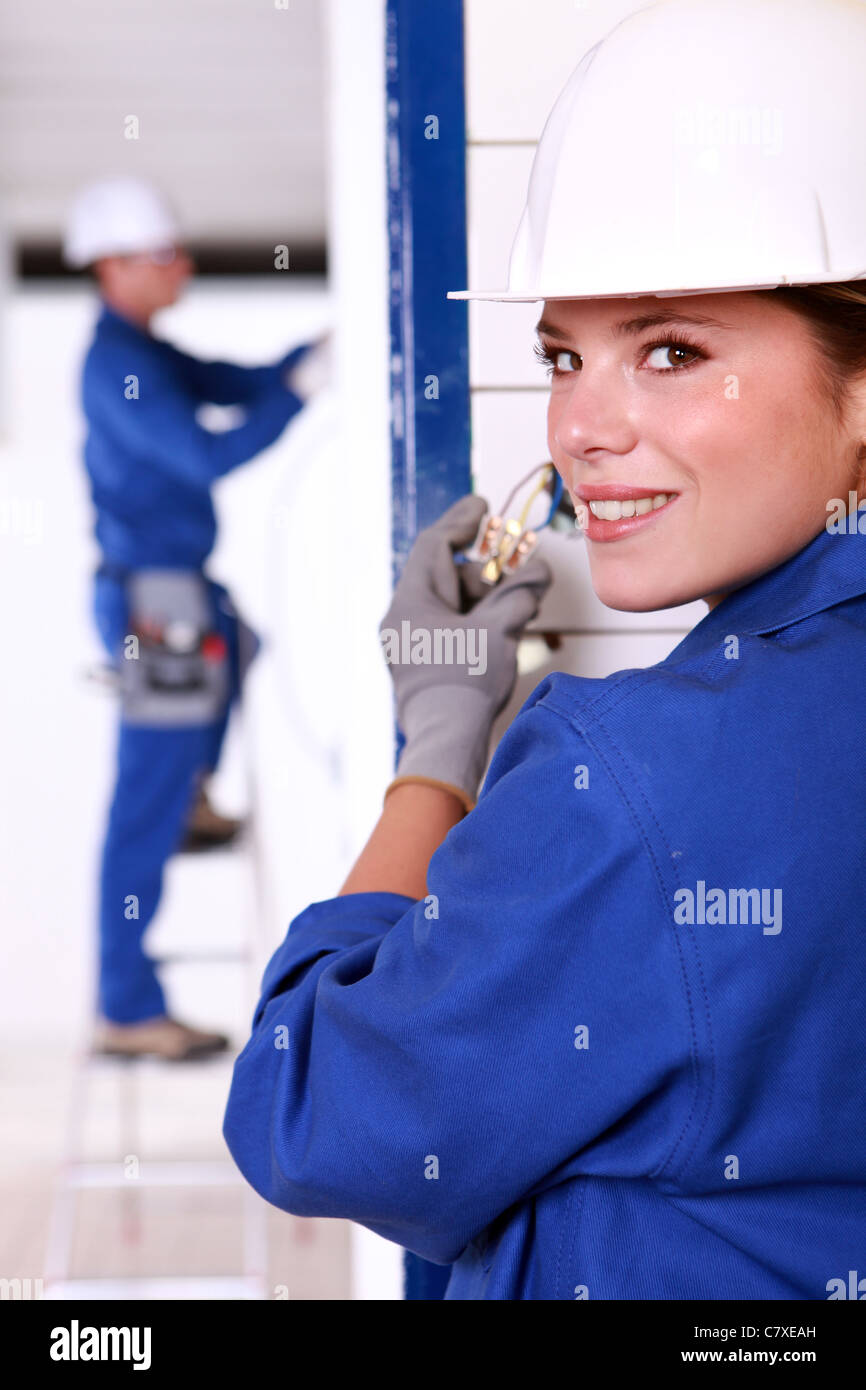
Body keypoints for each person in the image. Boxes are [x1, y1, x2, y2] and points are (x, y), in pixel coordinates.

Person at [223, 0, 866, 1297]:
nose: (579, 427)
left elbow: (308, 1107)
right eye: (564, 356)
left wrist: (437, 747)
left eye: (672, 350)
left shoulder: (633, 776)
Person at [64, 177, 329, 1061]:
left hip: (178, 592)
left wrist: (306, 356)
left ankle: (194, 795)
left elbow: (234, 380)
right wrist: (299, 395)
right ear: (111, 266)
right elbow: (208, 452)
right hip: (156, 600)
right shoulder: (119, 367)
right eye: (160, 254)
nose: (181, 264)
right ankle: (126, 1005)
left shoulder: (147, 351)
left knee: (240, 636)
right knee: (143, 803)